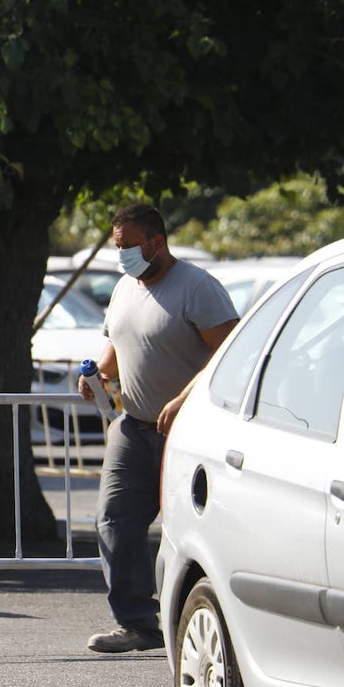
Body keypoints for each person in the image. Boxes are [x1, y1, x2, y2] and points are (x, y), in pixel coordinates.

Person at [79, 204, 237, 653]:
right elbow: (116, 348)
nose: (122, 255)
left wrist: (184, 400)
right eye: (117, 246)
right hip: (133, 427)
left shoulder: (198, 288)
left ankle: (211, 622)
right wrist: (98, 378)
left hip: (189, 432)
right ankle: (136, 623)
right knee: (114, 520)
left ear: (156, 242)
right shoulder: (125, 289)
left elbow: (227, 356)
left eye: (128, 246)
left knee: (193, 531)